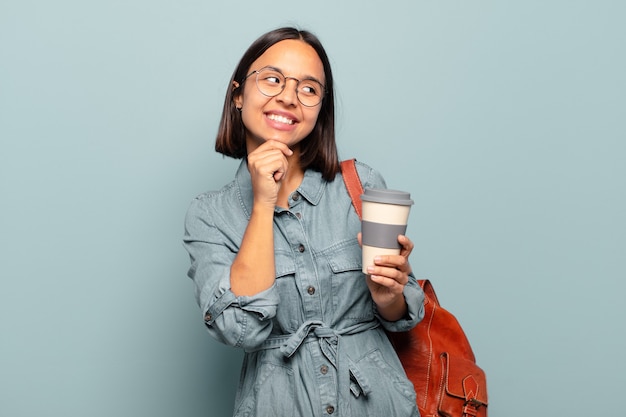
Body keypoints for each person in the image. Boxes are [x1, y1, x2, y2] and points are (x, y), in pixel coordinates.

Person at [183, 27, 425, 417]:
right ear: (238, 94)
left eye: (309, 89)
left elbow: (403, 315)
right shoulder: (210, 215)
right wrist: (263, 203)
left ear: (319, 110)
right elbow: (240, 329)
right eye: (273, 79)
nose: (289, 97)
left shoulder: (360, 186)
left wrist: (389, 297)